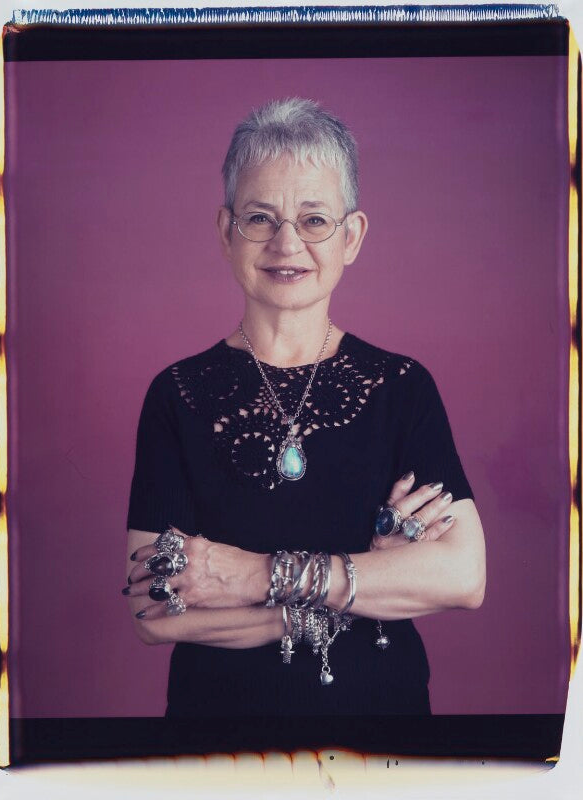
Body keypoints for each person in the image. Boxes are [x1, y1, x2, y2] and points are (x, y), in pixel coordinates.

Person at [123, 98, 485, 746]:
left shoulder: (402, 388)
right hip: (218, 749)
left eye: (314, 219)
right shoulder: (176, 395)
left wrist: (249, 576)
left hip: (388, 745)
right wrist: (356, 591)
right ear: (227, 230)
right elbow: (155, 609)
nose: (287, 243)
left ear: (352, 236)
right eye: (260, 217)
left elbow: (463, 576)